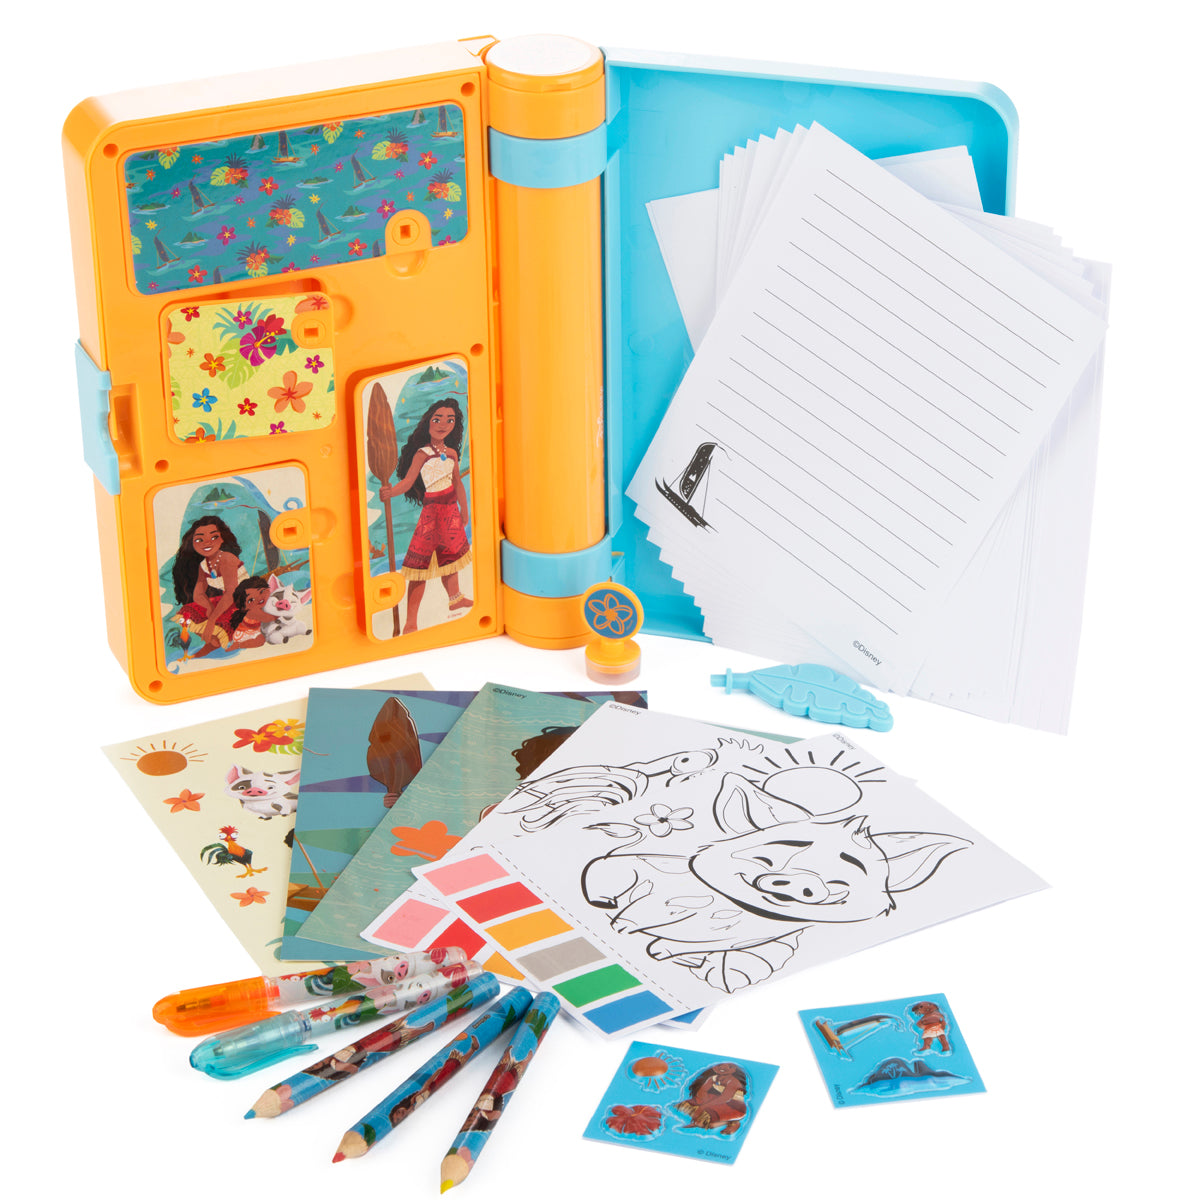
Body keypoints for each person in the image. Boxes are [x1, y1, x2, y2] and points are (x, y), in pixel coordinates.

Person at [380, 398, 472, 634]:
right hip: (432, 513)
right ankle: (411, 621)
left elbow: (457, 483)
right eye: (438, 419)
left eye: (450, 420)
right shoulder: (422, 453)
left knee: (451, 557)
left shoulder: (452, 453)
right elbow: (408, 481)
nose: (443, 424)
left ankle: (455, 598)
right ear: (428, 421)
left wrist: (464, 509)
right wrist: (390, 492)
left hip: (450, 511)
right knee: (420, 566)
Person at [169, 516, 247, 654]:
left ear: (222, 539)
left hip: (242, 599)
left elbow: (231, 593)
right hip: (225, 600)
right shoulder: (204, 565)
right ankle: (211, 644)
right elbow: (198, 594)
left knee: (216, 627)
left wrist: (211, 620)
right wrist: (209, 608)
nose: (207, 542)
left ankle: (213, 644)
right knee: (186, 612)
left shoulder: (227, 559)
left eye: (214, 537)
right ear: (192, 543)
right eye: (199, 539)